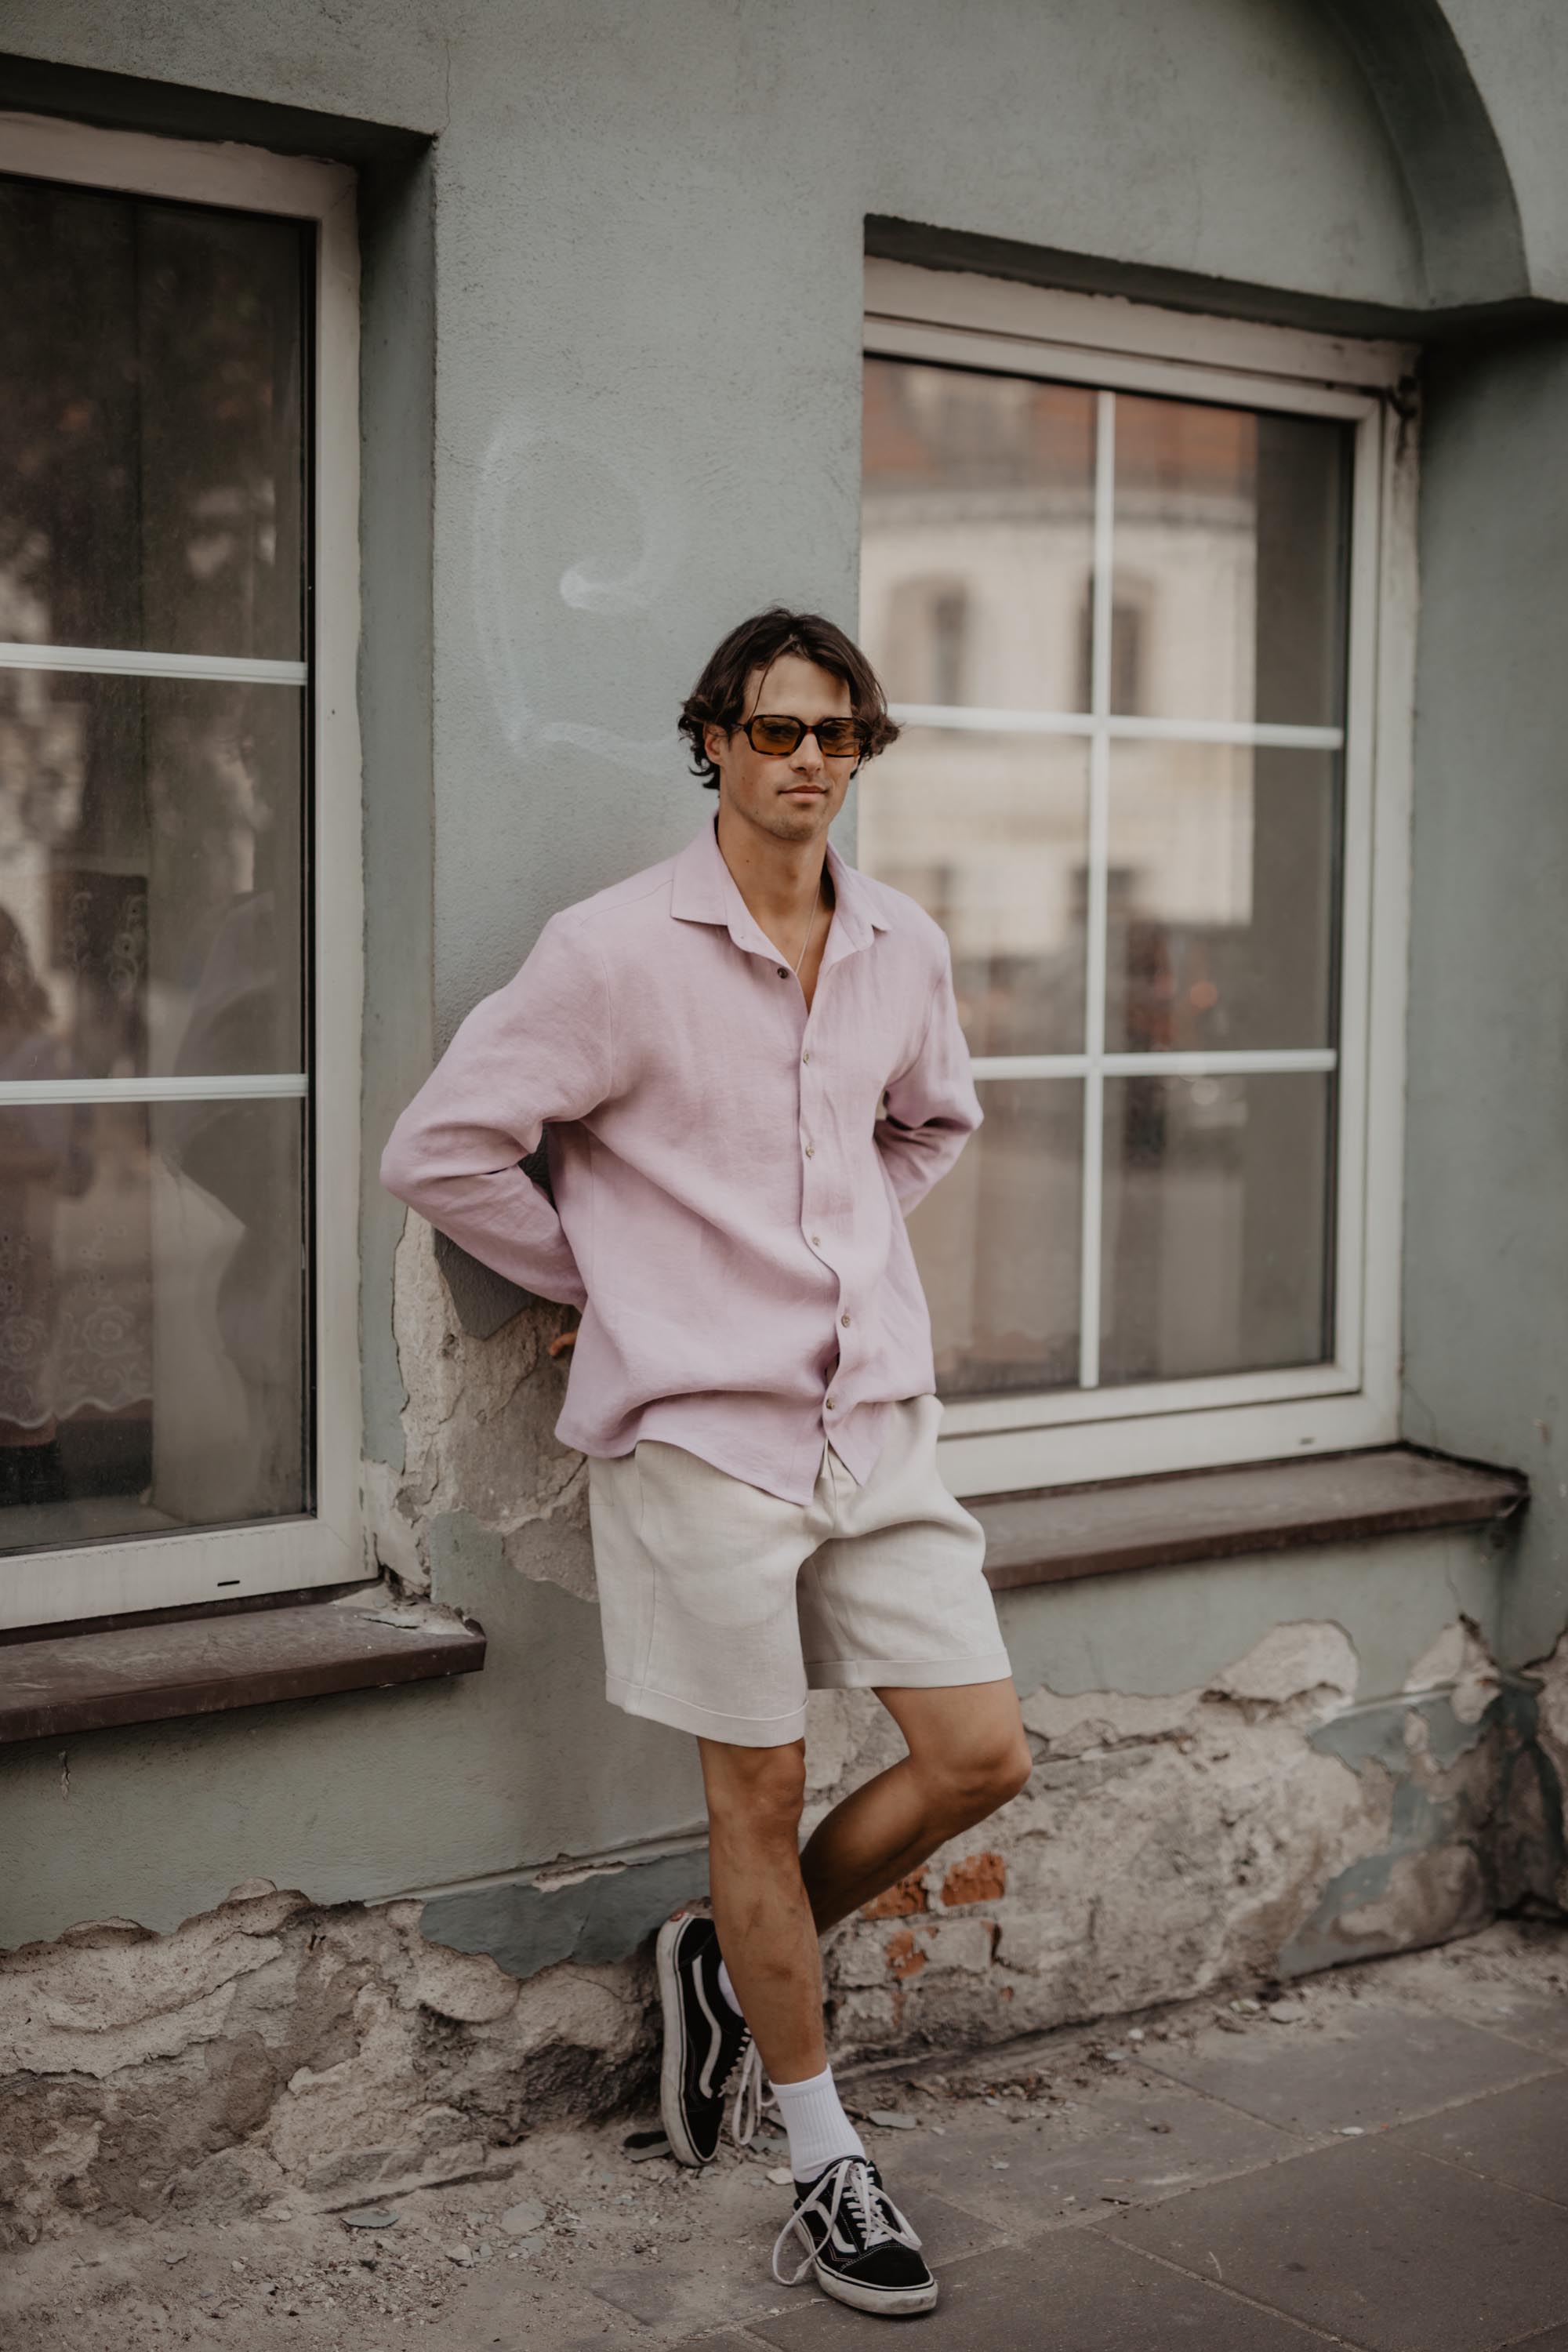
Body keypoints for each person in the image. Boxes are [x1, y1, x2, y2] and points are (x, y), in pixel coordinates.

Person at [380, 606, 1032, 2318]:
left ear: (858, 755)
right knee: (751, 1797)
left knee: (977, 1754)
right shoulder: (613, 951)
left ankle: (734, 1959)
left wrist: (829, 1250)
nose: (807, 759)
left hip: (872, 1418)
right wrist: (613, 1282)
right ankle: (822, 2158)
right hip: (698, 1441)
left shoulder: (901, 945)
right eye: (775, 730)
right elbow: (443, 1149)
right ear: (716, 744)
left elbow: (929, 1122)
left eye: (837, 735)